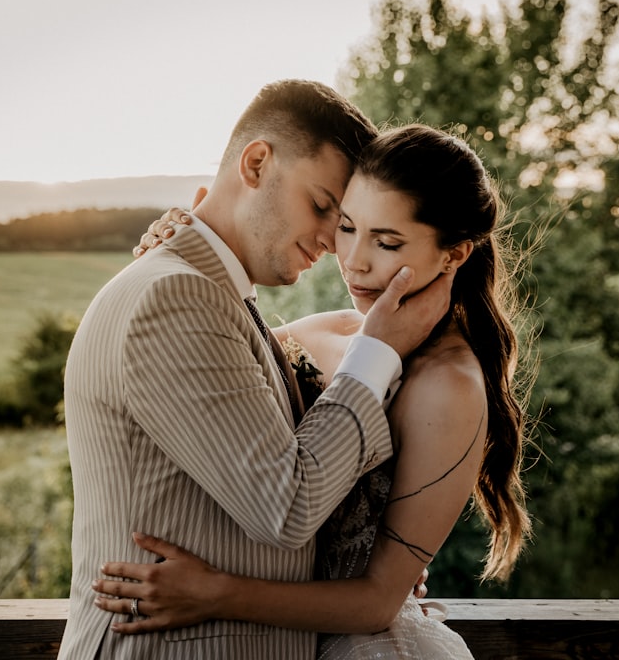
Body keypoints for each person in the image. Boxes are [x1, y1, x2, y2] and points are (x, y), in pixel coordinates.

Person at [94, 124, 533, 659]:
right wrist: (173, 248)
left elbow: (376, 602)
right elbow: (199, 365)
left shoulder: (449, 387)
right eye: (347, 227)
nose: (354, 259)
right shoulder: (334, 331)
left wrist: (216, 595)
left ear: (453, 255)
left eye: (387, 241)